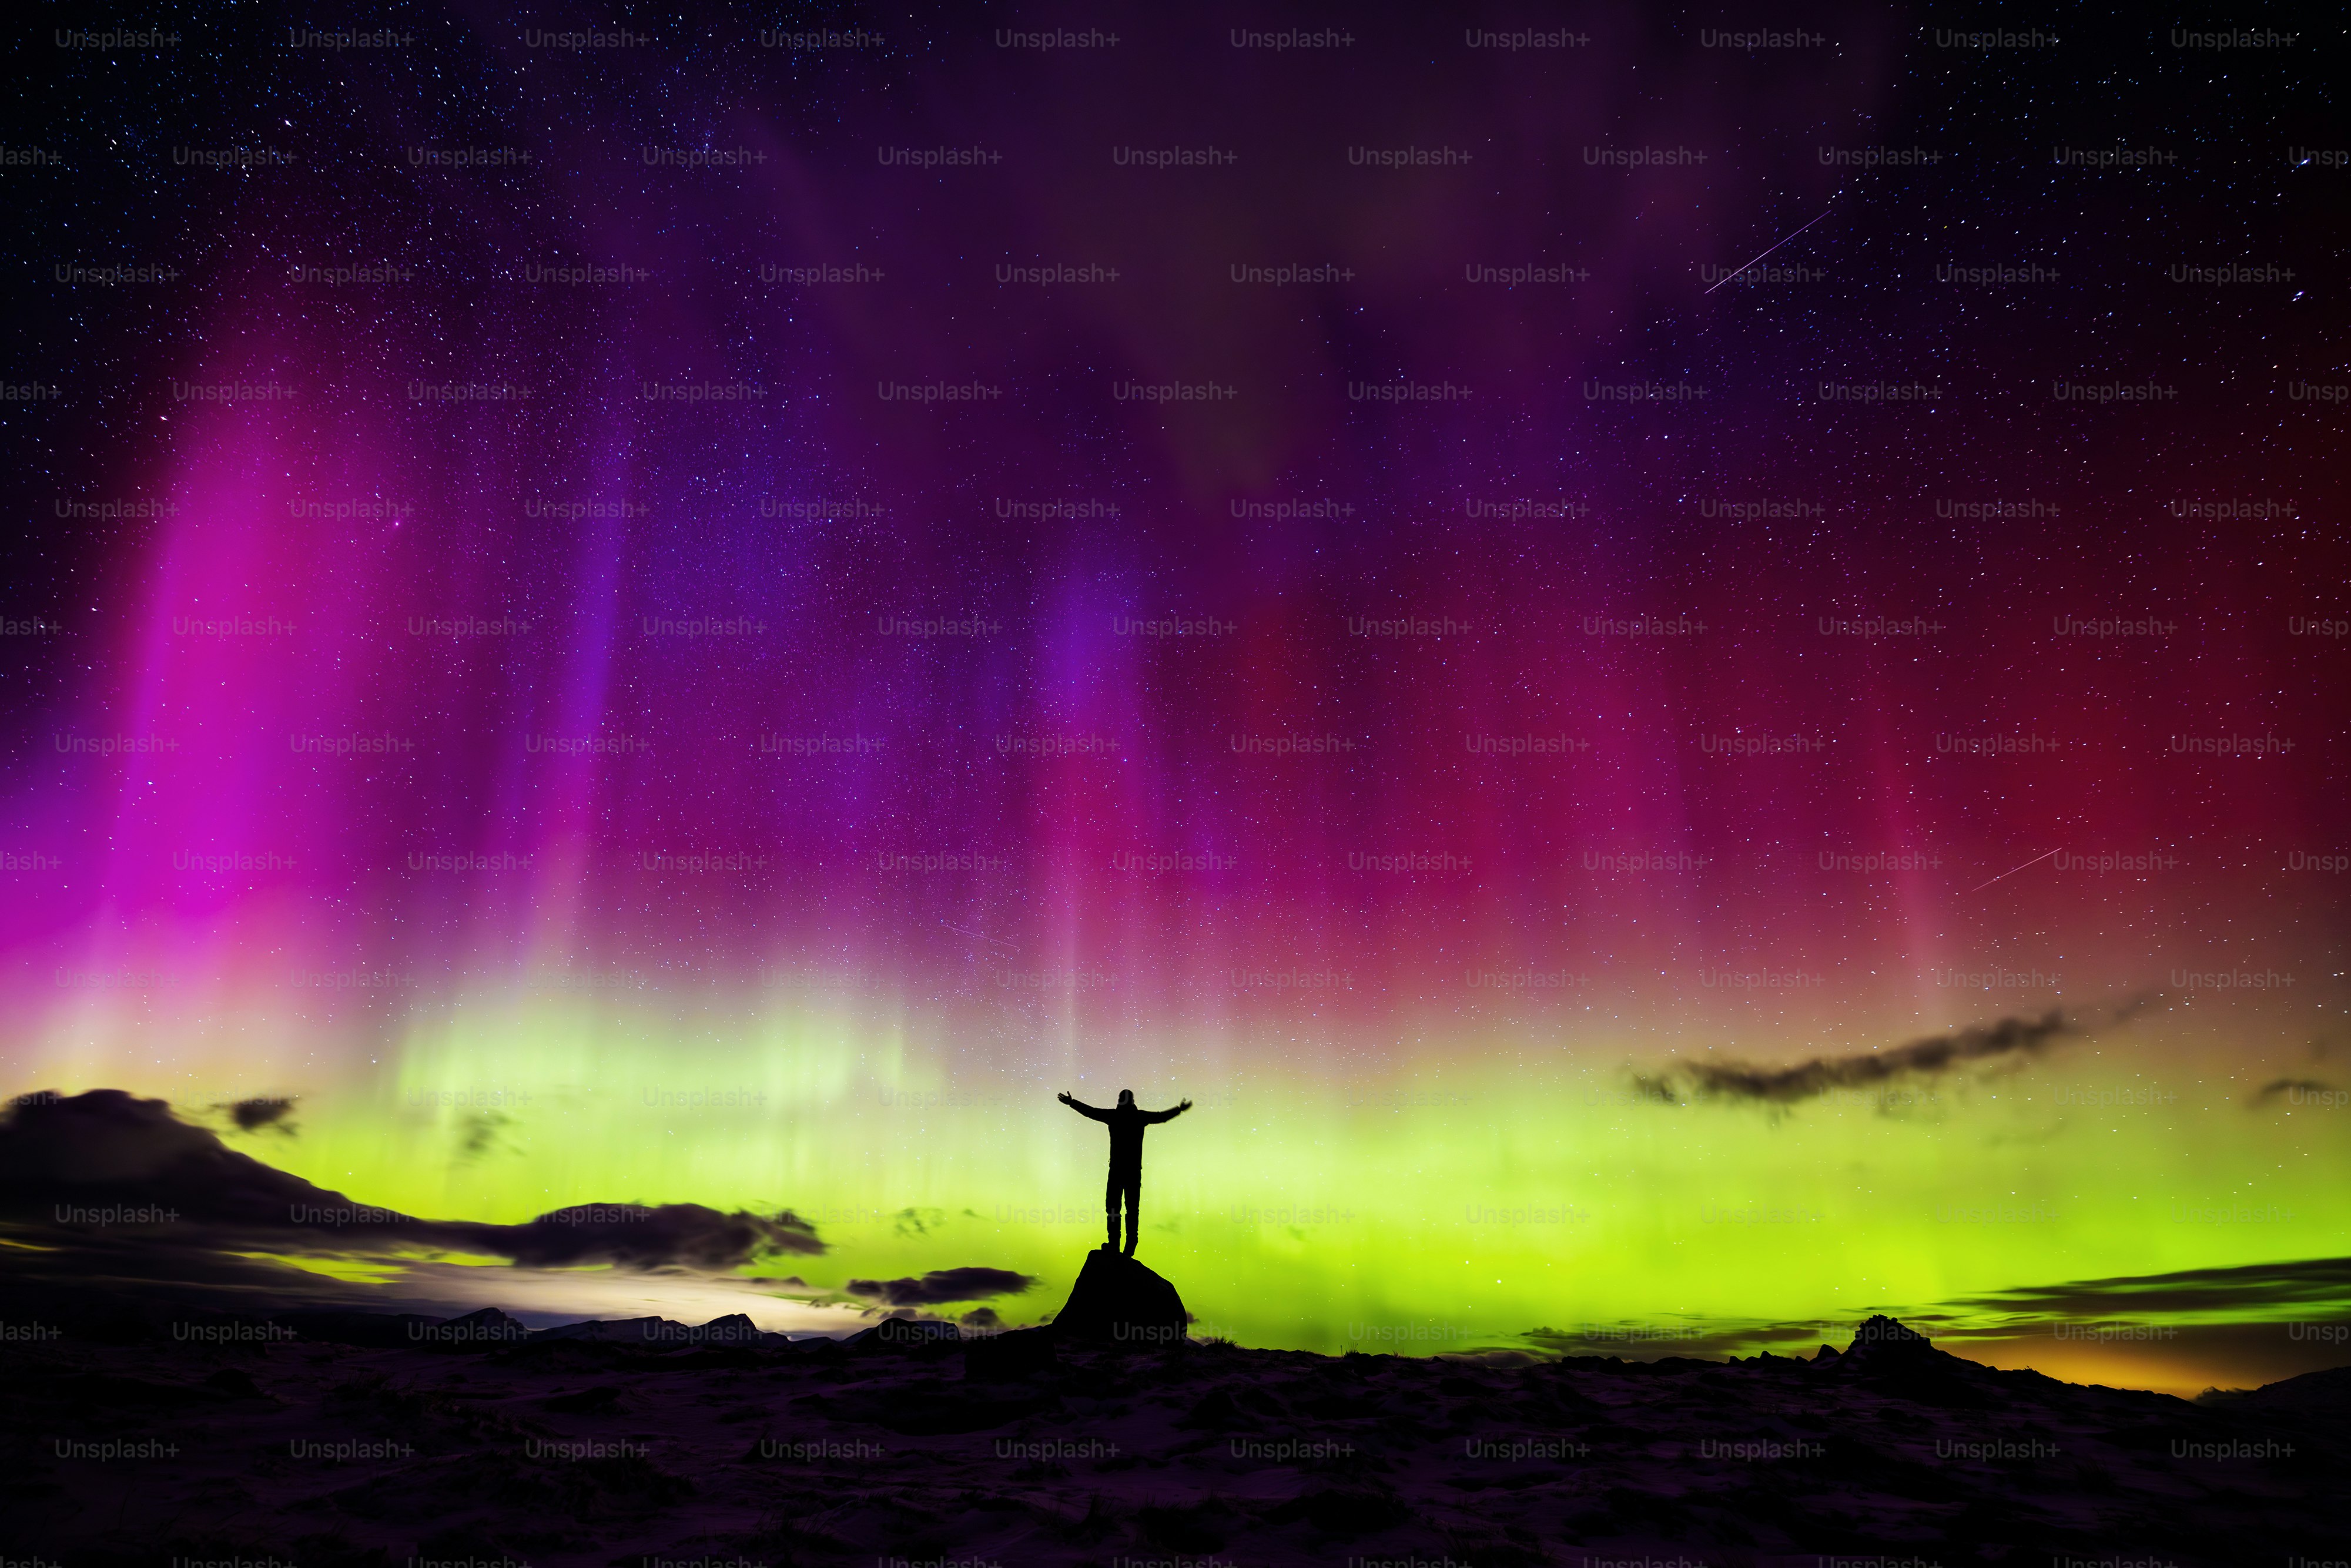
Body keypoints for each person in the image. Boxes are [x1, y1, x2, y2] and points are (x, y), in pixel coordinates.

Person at [1058, 1088, 1190, 1255]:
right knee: (1130, 1210)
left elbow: (1091, 1112)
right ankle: (1129, 1244)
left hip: (1117, 1171)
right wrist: (1179, 1109)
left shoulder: (1114, 1116)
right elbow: (1161, 1117)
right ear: (1132, 1101)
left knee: (1114, 1209)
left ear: (1120, 1100)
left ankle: (1116, 1243)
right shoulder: (1139, 1117)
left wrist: (1072, 1103)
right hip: (1132, 1172)